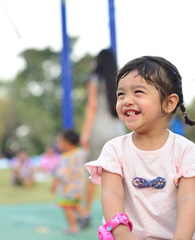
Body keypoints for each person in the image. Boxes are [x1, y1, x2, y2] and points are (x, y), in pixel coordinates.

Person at [85, 56, 195, 240]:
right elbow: (112, 193)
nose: (126, 100)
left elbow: (188, 200)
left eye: (138, 92)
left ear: (169, 103)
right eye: (121, 94)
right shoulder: (114, 149)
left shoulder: (185, 150)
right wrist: (122, 232)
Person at [80, 49, 126, 218]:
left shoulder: (94, 80)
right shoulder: (119, 81)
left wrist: (85, 133)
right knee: (119, 174)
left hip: (98, 130)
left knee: (91, 173)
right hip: (117, 130)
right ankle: (122, 213)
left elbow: (92, 107)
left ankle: (86, 211)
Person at [51, 129, 90, 234]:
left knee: (67, 207)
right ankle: (84, 214)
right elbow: (86, 150)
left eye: (59, 141)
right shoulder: (79, 153)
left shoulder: (65, 157)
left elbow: (61, 174)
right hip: (78, 186)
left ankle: (73, 227)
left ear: (67, 142)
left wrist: (54, 185)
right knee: (75, 204)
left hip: (68, 188)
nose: (58, 144)